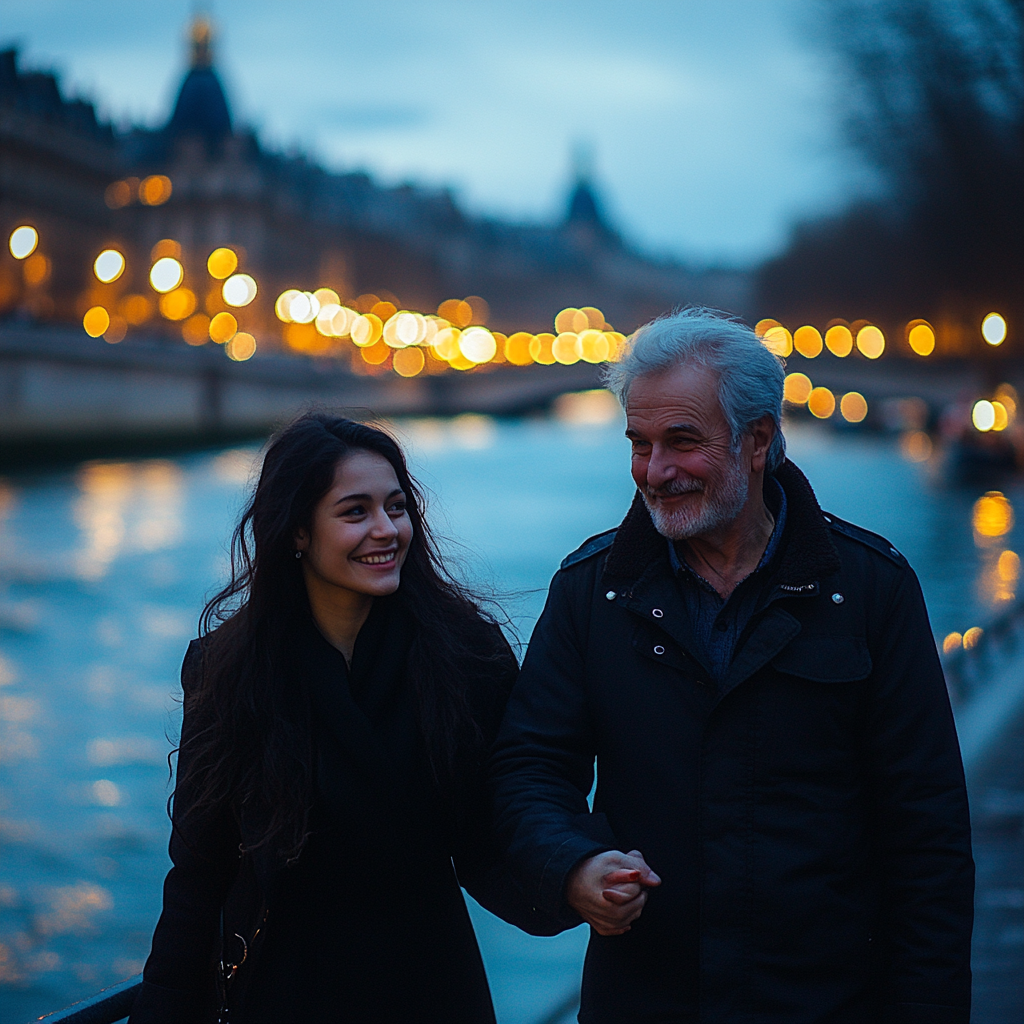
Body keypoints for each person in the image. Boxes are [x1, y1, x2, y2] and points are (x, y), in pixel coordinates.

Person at [492, 309, 974, 1023]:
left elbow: (927, 841)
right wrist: (573, 866)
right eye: (639, 443)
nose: (655, 472)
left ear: (757, 442)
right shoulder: (589, 591)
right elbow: (529, 768)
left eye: (682, 442)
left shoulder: (874, 590)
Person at [130, 413, 553, 1024]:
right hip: (283, 991)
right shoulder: (230, 669)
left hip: (428, 987)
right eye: (355, 512)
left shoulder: (467, 656)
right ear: (297, 530)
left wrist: (573, 876)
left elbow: (494, 834)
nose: (387, 530)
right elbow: (200, 871)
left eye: (397, 507)